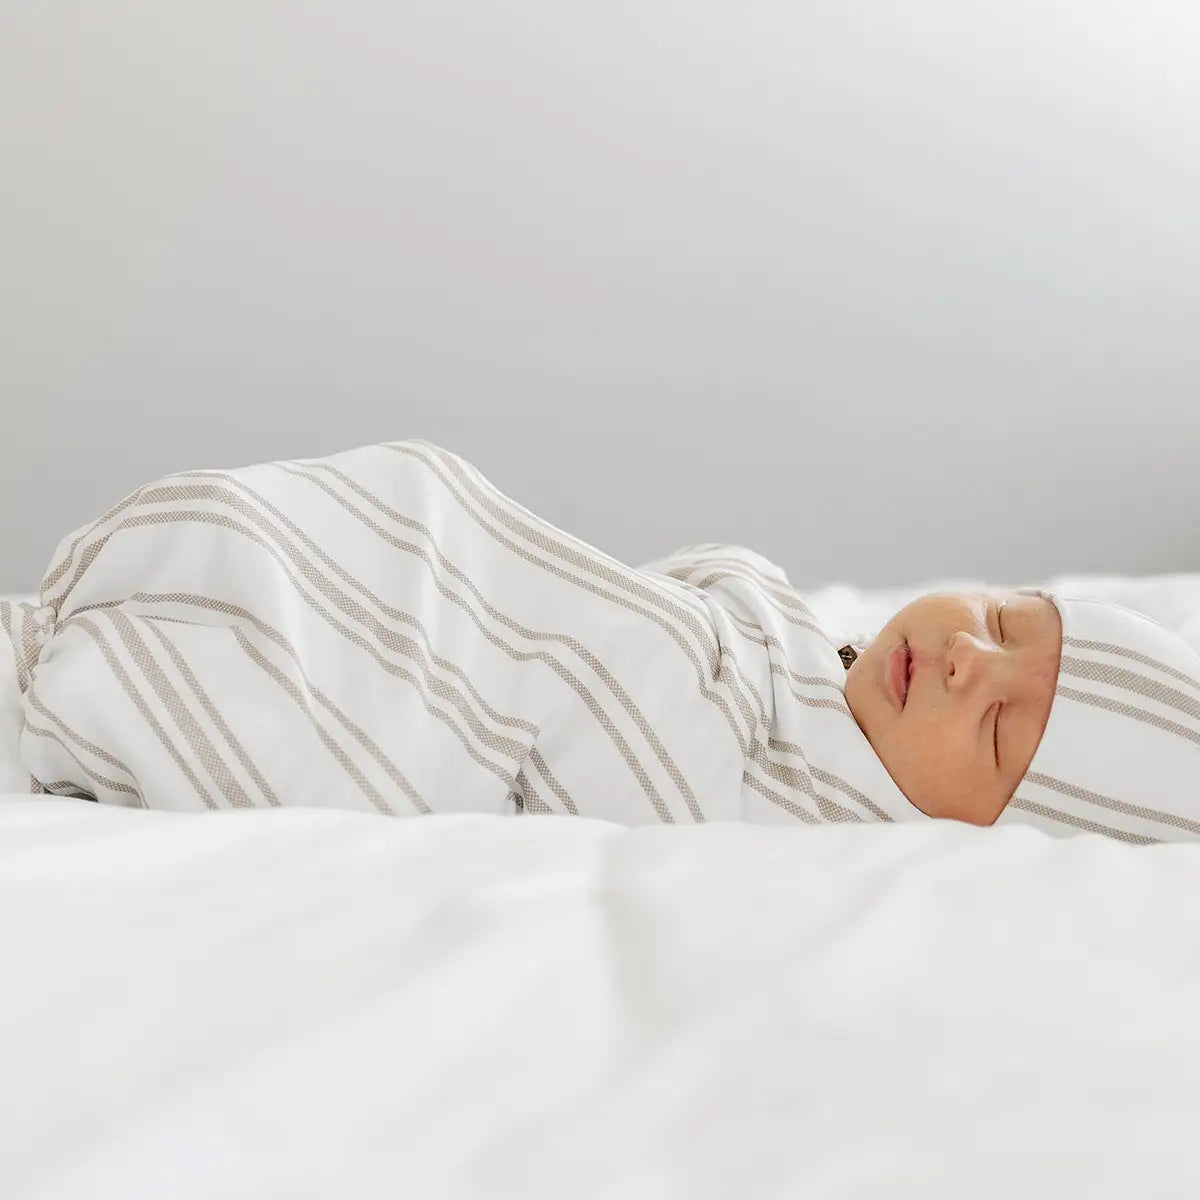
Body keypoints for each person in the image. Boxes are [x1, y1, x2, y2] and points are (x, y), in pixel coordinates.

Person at [4, 441, 1199, 844]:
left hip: (434, 691)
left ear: (979, 834)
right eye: (998, 624)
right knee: (425, 501)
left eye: (997, 729)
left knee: (286, 704)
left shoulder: (831, 817)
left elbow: (626, 713)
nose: (959, 663)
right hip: (420, 583)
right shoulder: (809, 653)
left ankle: (102, 682)